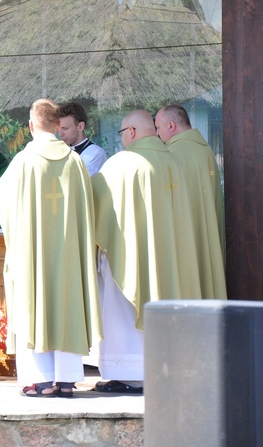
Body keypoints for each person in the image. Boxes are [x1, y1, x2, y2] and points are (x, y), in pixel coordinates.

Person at [0, 99, 102, 398]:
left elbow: (1, 204)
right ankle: (66, 380)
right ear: (57, 125)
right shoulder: (75, 161)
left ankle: (41, 381)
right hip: (68, 253)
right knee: (65, 304)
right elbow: (87, 209)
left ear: (30, 126)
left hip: (34, 254)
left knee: (35, 303)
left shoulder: (24, 162)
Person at [91, 110, 202, 394]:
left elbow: (94, 208)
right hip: (170, 258)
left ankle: (129, 373)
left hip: (132, 259)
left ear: (130, 133)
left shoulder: (122, 164)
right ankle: (164, 369)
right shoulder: (174, 160)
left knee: (122, 311)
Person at [155, 104, 226, 299]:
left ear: (170, 126)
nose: (157, 134)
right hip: (205, 231)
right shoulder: (205, 149)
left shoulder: (173, 154)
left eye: (158, 128)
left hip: (185, 237)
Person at [57, 102, 107, 176]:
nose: (60, 134)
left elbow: (82, 183)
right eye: (58, 129)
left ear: (80, 126)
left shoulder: (96, 153)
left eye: (65, 128)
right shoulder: (61, 153)